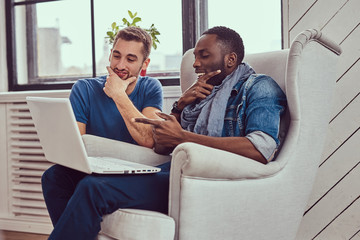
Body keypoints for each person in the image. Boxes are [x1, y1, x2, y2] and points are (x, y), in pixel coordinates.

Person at [41, 27, 170, 240]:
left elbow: (148, 139)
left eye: (130, 59)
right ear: (110, 55)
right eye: (116, 55)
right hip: (97, 168)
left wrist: (118, 95)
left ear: (144, 64)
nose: (120, 65)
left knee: (91, 187)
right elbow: (78, 145)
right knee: (53, 177)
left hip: (135, 171)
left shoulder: (151, 88)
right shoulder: (84, 88)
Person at [135, 26, 287, 164]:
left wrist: (184, 137)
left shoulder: (260, 86)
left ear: (231, 59)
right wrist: (180, 105)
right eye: (195, 57)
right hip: (180, 170)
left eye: (204, 55)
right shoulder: (200, 94)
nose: (195, 63)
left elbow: (260, 150)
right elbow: (161, 148)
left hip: (212, 178)